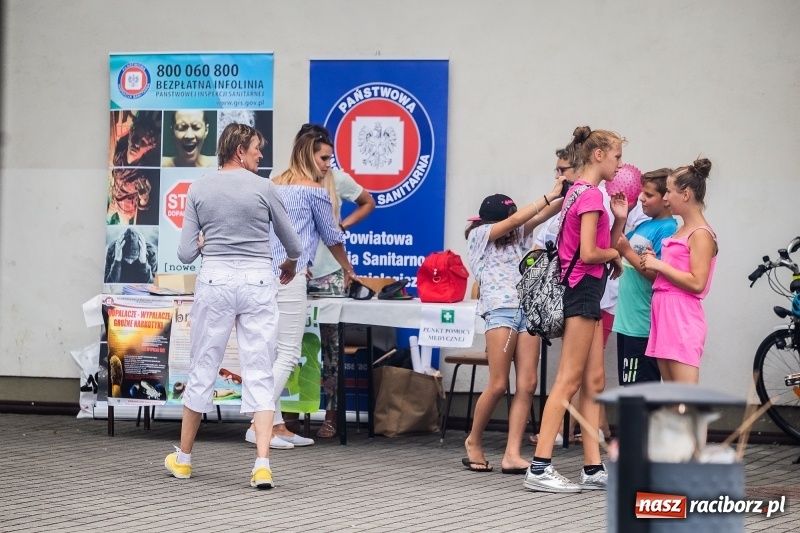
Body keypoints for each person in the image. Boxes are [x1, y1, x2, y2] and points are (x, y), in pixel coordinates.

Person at [163, 123, 302, 489]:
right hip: (258, 280)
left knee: (203, 365)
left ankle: (184, 459)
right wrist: (289, 265)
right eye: (257, 148)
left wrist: (207, 242)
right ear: (239, 149)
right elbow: (294, 245)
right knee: (260, 369)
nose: (260, 155)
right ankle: (261, 466)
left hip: (216, 280)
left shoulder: (199, 188)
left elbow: (185, 252)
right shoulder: (265, 188)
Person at [524, 126, 627, 493]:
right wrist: (614, 254)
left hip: (587, 291)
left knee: (593, 381)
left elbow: (597, 246)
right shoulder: (589, 197)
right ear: (598, 154)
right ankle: (540, 466)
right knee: (568, 379)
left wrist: (620, 220)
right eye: (616, 156)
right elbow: (588, 253)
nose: (620, 164)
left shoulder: (582, 194)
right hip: (582, 292)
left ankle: (593, 467)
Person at [244, 131, 359, 449]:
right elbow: (332, 236)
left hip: (260, 272)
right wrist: (348, 269)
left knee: (270, 354)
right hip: (288, 275)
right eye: (324, 158)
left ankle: (276, 427)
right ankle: (259, 422)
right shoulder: (315, 191)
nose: (328, 165)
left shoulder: (273, 182)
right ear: (308, 155)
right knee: (289, 352)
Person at [462, 181, 566, 473]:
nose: (515, 225)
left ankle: (512, 453)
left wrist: (570, 191)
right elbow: (520, 218)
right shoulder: (479, 235)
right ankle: (473, 441)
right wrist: (548, 195)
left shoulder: (518, 233)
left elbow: (545, 214)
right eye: (508, 220)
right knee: (498, 383)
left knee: (528, 383)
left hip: (525, 312)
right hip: (500, 313)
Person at [299, 123, 376, 439]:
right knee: (293, 345)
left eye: (329, 157)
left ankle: (331, 415)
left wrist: (341, 226)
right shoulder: (287, 181)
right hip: (295, 272)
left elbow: (368, 201)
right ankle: (289, 416)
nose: (327, 163)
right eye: (322, 157)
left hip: (329, 273)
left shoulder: (336, 179)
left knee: (331, 348)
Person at [641, 159, 717, 384]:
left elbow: (697, 283)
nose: (665, 198)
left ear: (685, 195)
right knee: (673, 400)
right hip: (664, 314)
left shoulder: (701, 234)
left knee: (686, 401)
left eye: (669, 192)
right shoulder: (682, 229)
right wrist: (655, 262)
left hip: (682, 316)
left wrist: (660, 265)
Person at [614, 168, 677, 385]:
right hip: (627, 322)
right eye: (642, 192)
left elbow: (659, 276)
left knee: (638, 390)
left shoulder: (668, 228)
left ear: (666, 199)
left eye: (649, 195)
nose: (642, 198)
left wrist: (628, 252)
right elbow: (617, 242)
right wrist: (624, 213)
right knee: (628, 386)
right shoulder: (645, 224)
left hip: (642, 326)